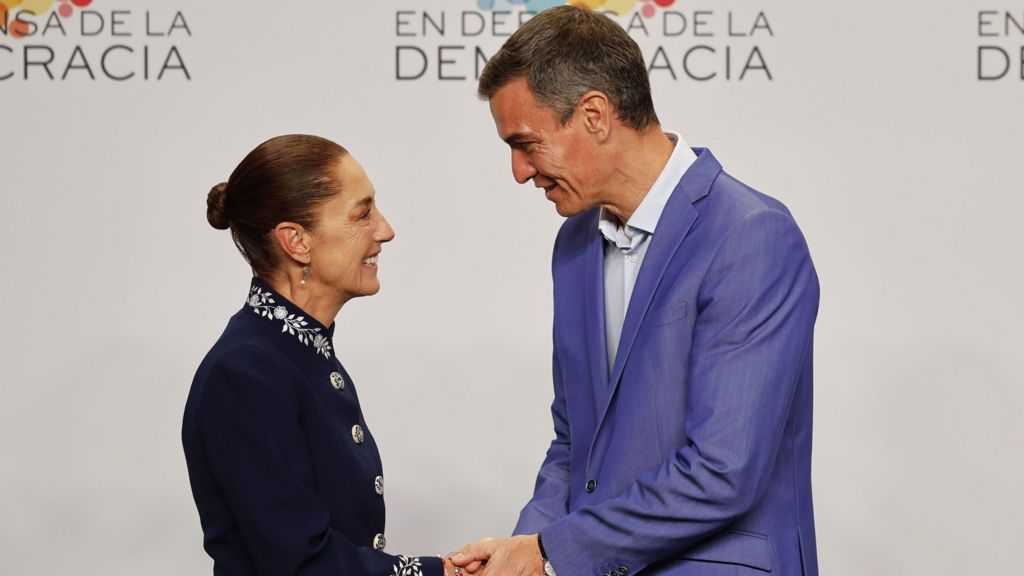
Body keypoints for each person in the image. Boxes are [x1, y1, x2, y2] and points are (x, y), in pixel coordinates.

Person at [452, 6, 820, 576]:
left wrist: (551, 554)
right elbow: (575, 445)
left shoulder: (751, 236)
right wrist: (520, 549)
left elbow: (724, 470)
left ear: (595, 114)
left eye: (526, 143)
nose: (519, 171)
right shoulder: (574, 244)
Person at [182, 135, 464, 576]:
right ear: (297, 242)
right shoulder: (245, 374)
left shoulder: (296, 354)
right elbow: (302, 562)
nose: (385, 230)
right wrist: (441, 573)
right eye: (362, 213)